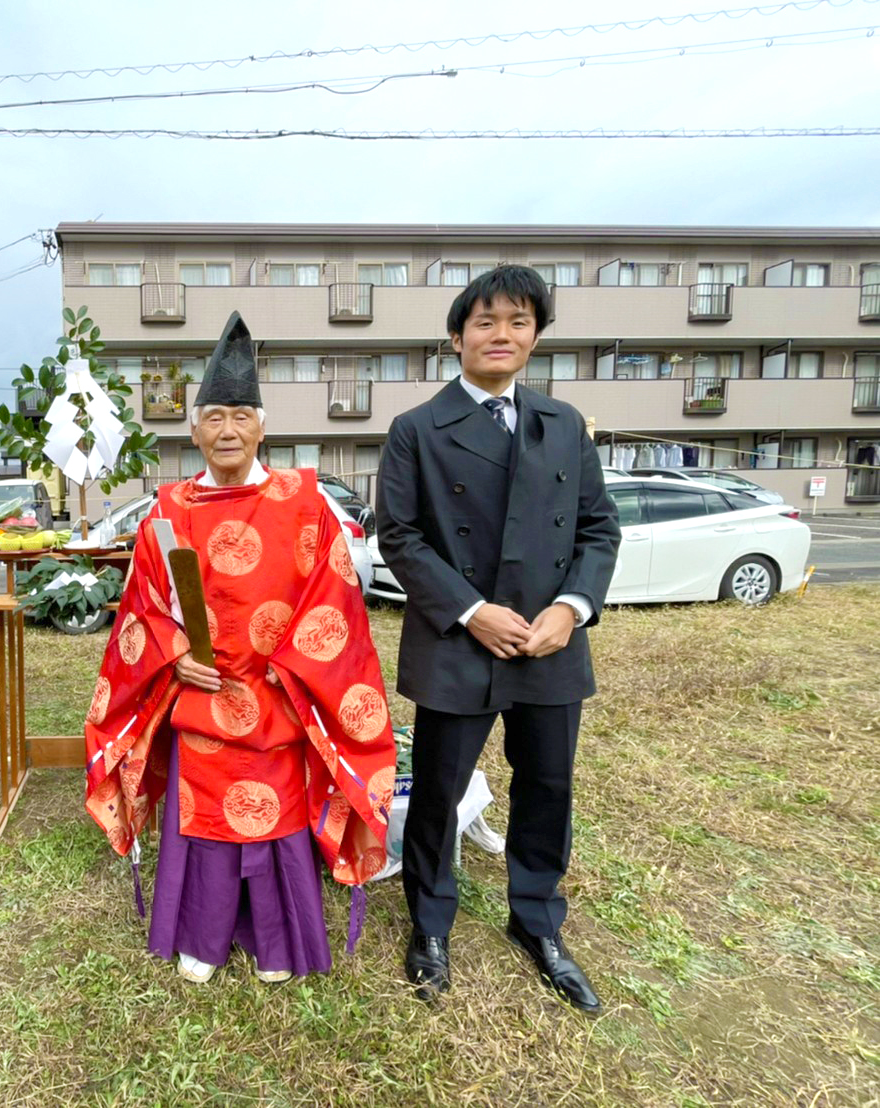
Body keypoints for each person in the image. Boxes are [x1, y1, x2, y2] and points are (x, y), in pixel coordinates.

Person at [85, 312, 397, 984]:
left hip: (281, 693)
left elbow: (333, 600)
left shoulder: (305, 503)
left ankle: (277, 943)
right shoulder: (167, 511)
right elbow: (142, 606)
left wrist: (288, 667)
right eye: (214, 417)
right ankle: (202, 933)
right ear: (194, 430)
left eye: (240, 415)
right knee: (205, 825)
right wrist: (173, 654)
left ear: (261, 425)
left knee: (274, 822)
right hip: (200, 700)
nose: (227, 430)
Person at [377, 266, 621, 1011]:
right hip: (458, 638)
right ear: (457, 337)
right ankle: (430, 924)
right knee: (439, 794)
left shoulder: (563, 423)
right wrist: (472, 609)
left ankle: (538, 921)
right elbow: (402, 536)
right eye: (485, 322)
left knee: (548, 787)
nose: (502, 335)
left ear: (535, 337)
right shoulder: (417, 428)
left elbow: (597, 527)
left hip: (549, 642)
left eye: (518, 322)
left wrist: (571, 608)